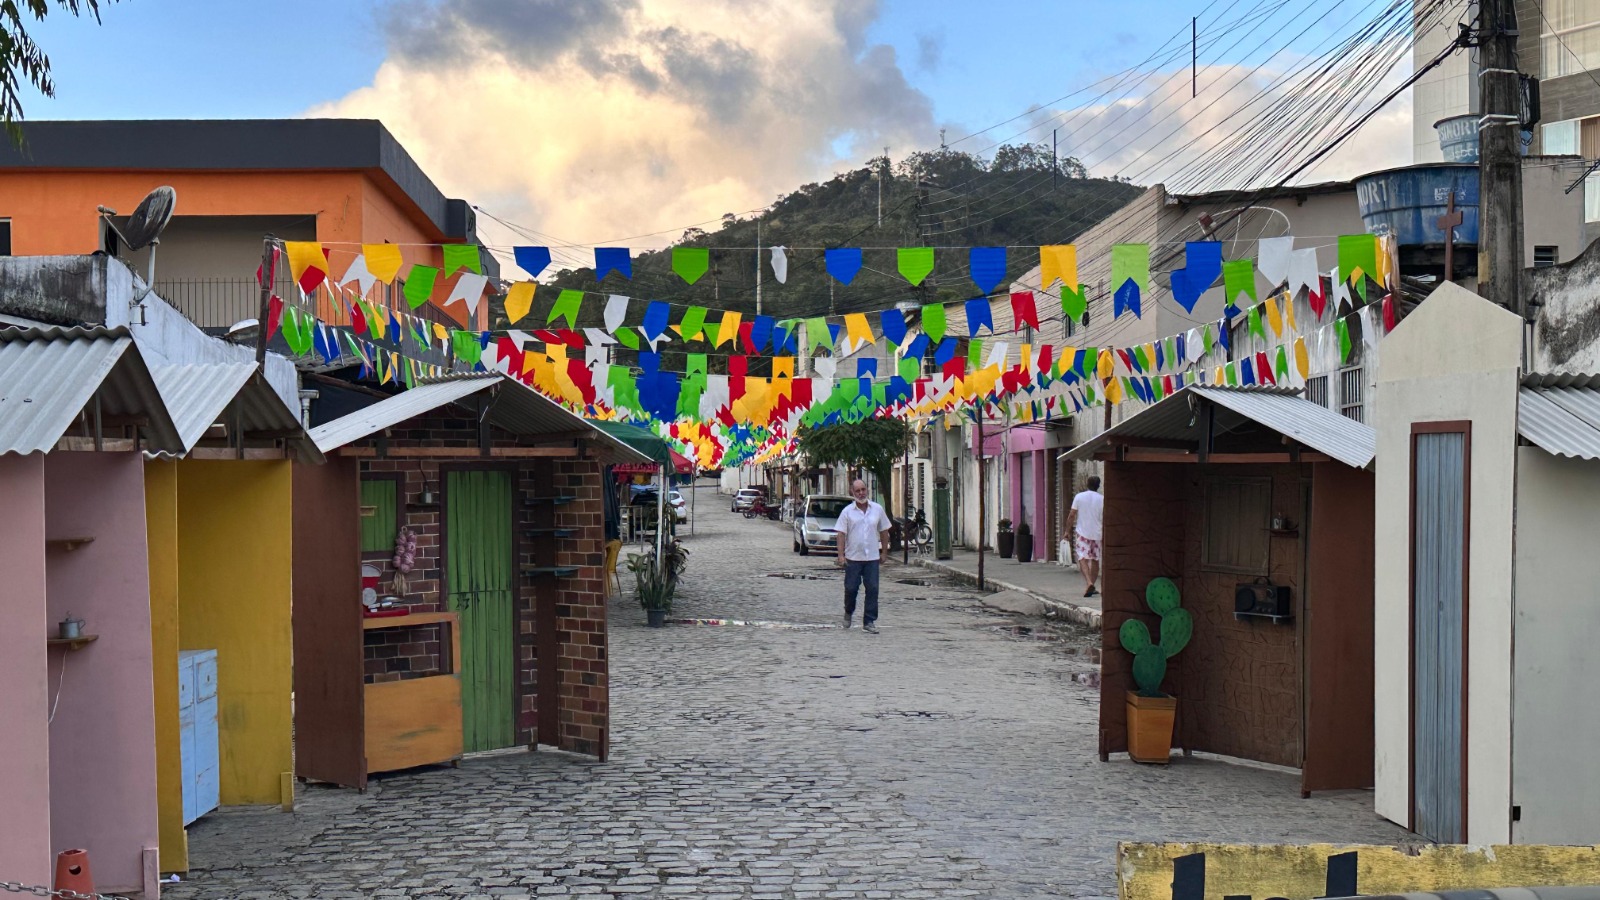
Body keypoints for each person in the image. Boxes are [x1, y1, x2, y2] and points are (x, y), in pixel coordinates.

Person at [834, 478, 892, 634]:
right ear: (853, 492)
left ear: (867, 490)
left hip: (872, 558)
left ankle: (869, 620)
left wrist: (884, 552)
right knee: (851, 588)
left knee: (873, 589)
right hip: (853, 558)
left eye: (863, 489)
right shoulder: (847, 512)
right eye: (857, 490)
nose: (861, 493)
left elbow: (884, 530)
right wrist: (841, 555)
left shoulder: (877, 509)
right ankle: (848, 611)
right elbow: (841, 534)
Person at [1067, 475, 1104, 598]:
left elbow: (1072, 515)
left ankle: (1088, 583)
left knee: (1082, 558)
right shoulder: (1102, 499)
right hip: (1097, 534)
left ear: (1087, 484)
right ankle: (1092, 585)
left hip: (1082, 533)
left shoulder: (1079, 497)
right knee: (1095, 559)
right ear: (1098, 486)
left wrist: (1067, 531)